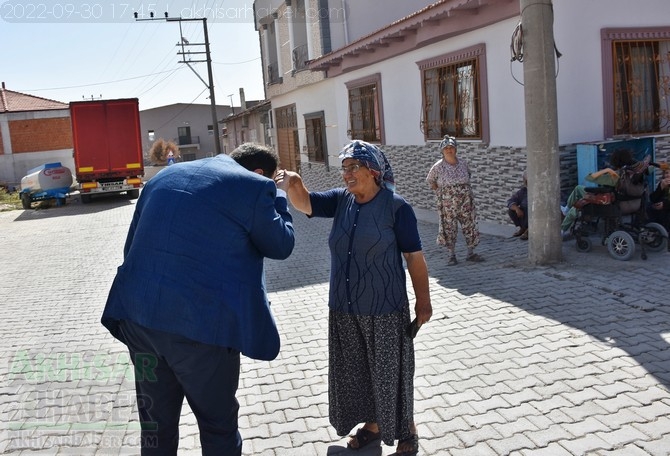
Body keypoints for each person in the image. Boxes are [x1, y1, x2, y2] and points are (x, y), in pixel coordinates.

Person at [100, 143, 295, 455]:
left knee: (156, 426)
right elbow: (281, 244)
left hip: (139, 319)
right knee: (218, 427)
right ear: (261, 173)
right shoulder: (254, 186)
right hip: (201, 330)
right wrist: (281, 194)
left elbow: (131, 247)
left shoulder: (163, 177)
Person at [275, 140, 432, 456]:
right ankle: (373, 427)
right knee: (359, 372)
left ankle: (407, 432)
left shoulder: (396, 208)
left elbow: (415, 257)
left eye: (353, 167)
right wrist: (293, 182)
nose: (346, 174)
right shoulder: (340, 200)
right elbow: (305, 204)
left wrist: (423, 302)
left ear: (373, 171)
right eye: (343, 167)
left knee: (392, 375)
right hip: (344, 308)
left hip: (384, 309)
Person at [426, 135, 483, 265]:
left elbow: (468, 175)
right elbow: (430, 180)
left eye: (451, 147)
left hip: (465, 201)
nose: (449, 150)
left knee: (469, 225)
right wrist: (441, 192)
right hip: (448, 203)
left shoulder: (463, 163)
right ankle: (451, 255)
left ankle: (471, 253)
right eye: (446, 148)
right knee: (449, 227)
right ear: (442, 150)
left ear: (456, 149)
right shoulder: (438, 166)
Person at [560, 148, 640, 238]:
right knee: (579, 189)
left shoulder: (614, 176)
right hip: (632, 203)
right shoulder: (632, 174)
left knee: (577, 205)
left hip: (607, 203)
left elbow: (589, 177)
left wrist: (606, 170)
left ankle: (563, 228)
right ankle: (566, 210)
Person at [507, 171, 528, 240]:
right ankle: (523, 228)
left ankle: (529, 230)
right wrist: (517, 209)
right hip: (524, 215)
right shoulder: (523, 191)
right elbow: (510, 201)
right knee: (511, 210)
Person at [648, 167, 670, 234]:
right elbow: (653, 198)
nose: (668, 175)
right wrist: (660, 188)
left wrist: (664, 205)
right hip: (662, 211)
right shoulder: (663, 183)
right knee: (649, 208)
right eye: (666, 173)